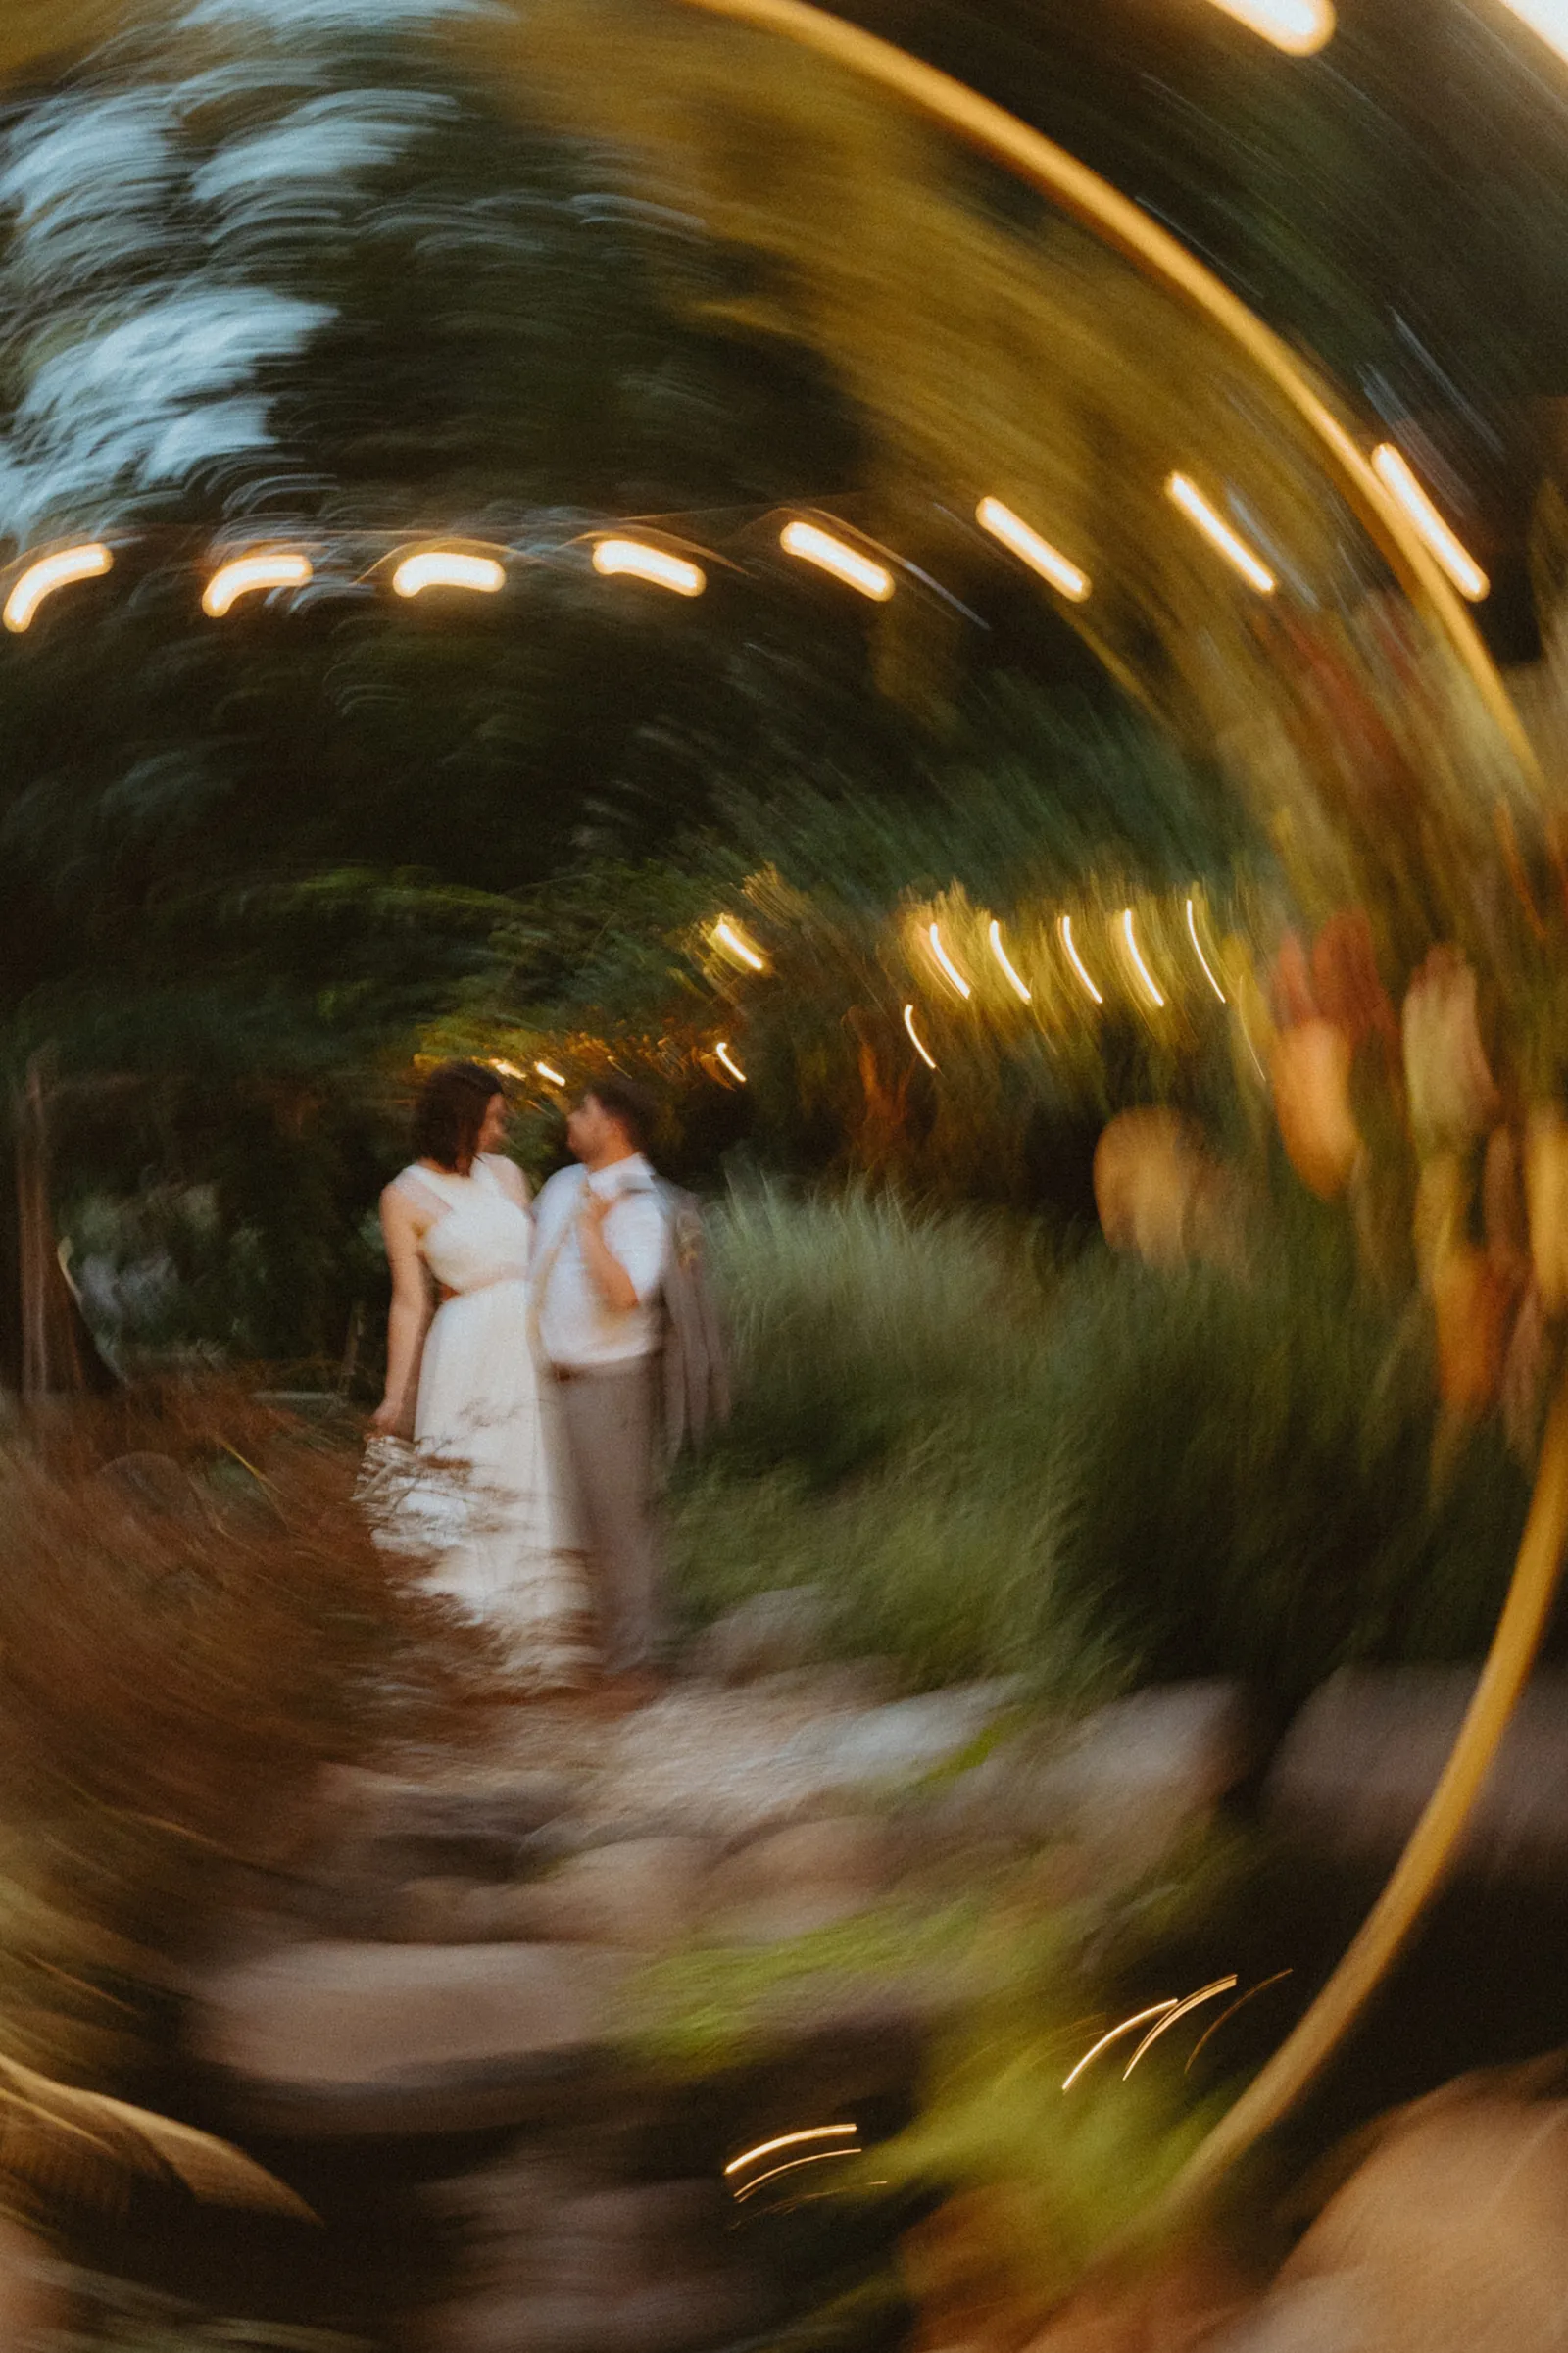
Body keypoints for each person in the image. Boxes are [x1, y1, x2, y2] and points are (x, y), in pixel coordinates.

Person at [370, 1060, 586, 1691]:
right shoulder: (403, 1196)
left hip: (526, 1338)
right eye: (492, 1119)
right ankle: (476, 1641)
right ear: (459, 1120)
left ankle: (542, 1634)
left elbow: (546, 1258)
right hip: (465, 1345)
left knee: (535, 1467)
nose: (501, 1130)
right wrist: (394, 1395)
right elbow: (409, 1301)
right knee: (475, 1475)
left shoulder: (508, 1175)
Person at [529, 1077, 668, 1703]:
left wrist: (590, 1229)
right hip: (546, 1377)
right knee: (568, 1521)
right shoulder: (562, 1183)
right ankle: (585, 1652)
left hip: (608, 1381)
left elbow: (624, 1296)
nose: (570, 1119)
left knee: (617, 1521)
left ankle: (632, 1665)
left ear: (611, 1125)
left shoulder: (644, 1202)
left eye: (581, 1111)